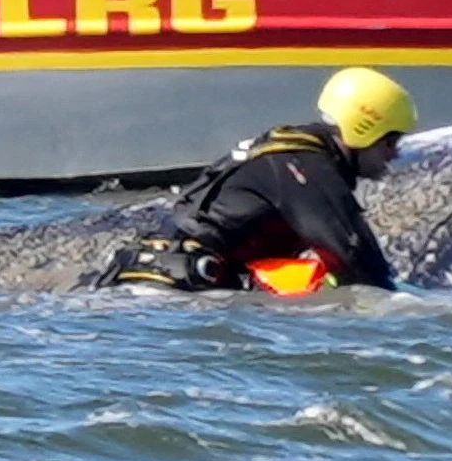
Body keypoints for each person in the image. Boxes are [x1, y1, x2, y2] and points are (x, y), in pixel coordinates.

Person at [105, 67, 412, 293]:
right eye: (390, 142)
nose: (395, 154)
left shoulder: (285, 151)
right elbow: (358, 264)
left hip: (151, 279)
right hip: (170, 293)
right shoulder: (307, 167)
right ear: (363, 131)